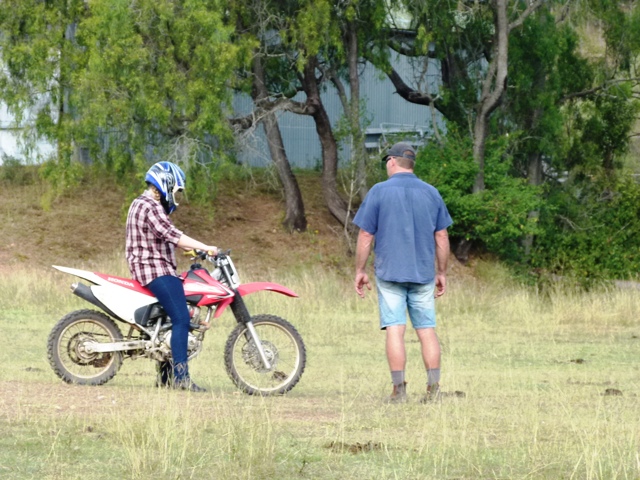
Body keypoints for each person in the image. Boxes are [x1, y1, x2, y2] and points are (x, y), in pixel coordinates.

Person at [353, 142, 452, 403]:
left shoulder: (379, 191)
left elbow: (365, 234)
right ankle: (433, 390)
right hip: (422, 274)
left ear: (392, 162)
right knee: (426, 330)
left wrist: (360, 270)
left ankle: (399, 391)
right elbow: (441, 235)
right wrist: (442, 272)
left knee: (395, 330)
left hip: (390, 274)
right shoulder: (431, 193)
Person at [126, 161, 218, 392]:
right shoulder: (151, 206)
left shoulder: (141, 203)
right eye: (176, 191)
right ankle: (181, 378)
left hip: (150, 267)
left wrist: (191, 250)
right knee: (181, 320)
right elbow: (172, 234)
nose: (176, 197)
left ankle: (165, 379)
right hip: (155, 270)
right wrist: (206, 247)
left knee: (168, 323)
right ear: (166, 184)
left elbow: (159, 238)